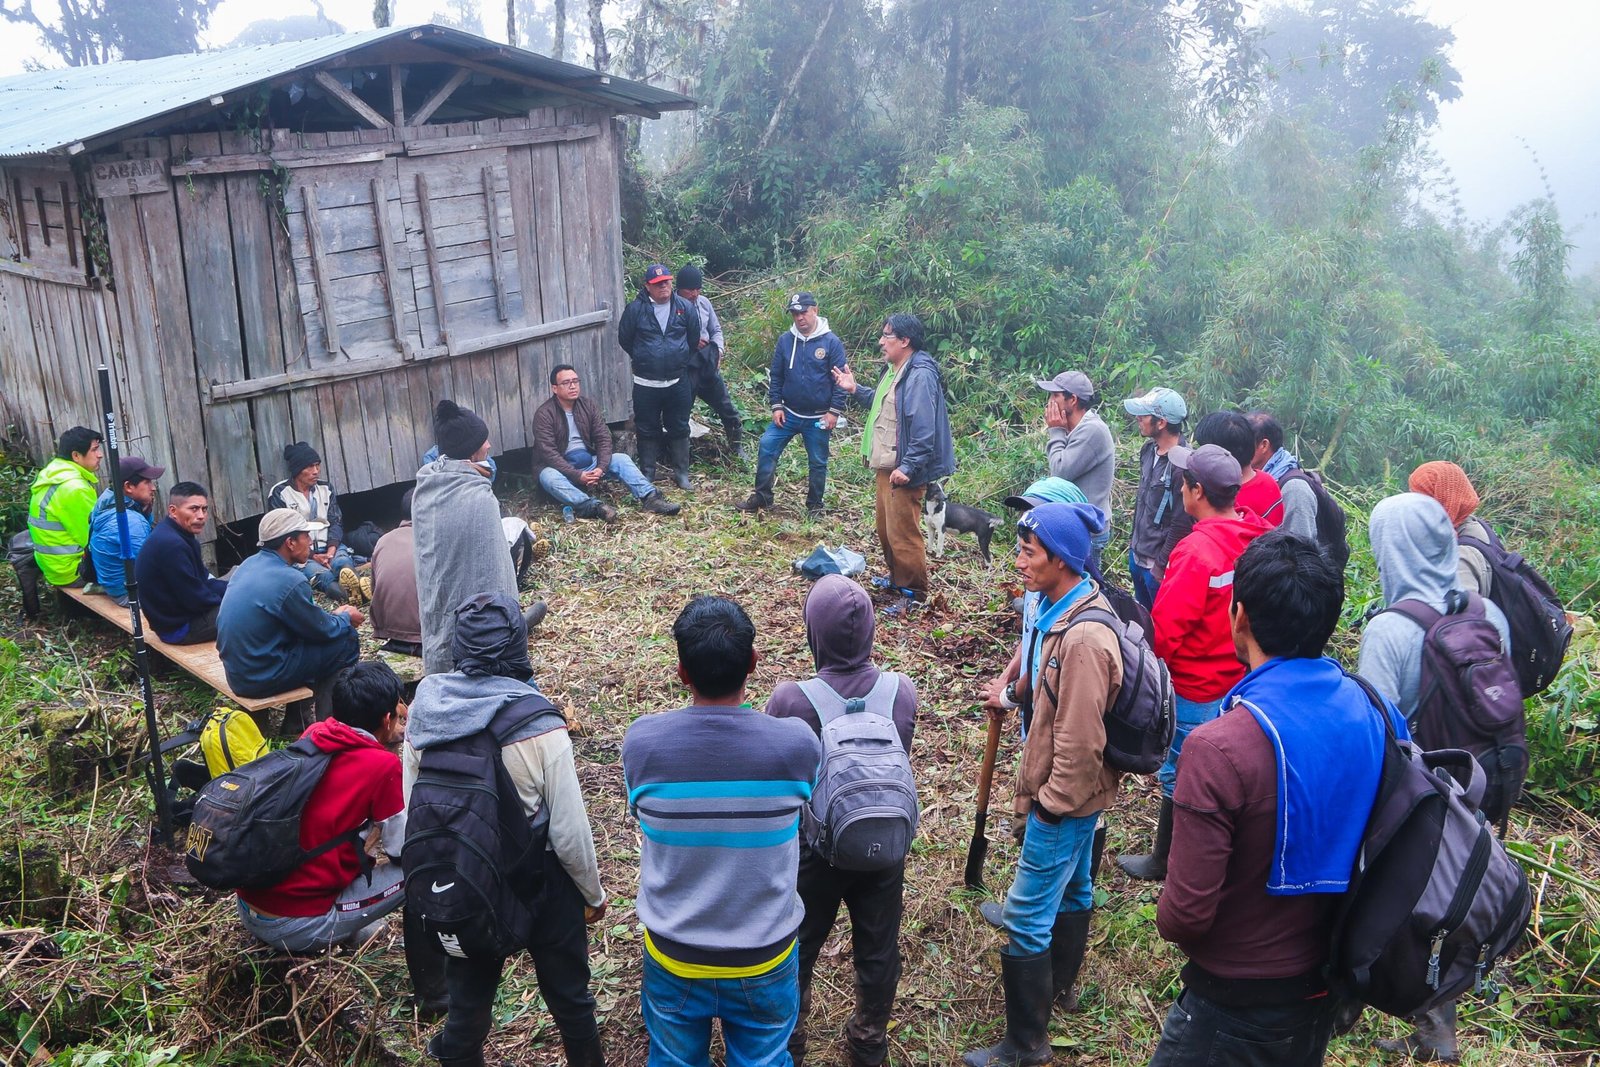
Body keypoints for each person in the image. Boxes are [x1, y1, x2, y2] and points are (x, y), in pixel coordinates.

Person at [1149, 534, 1405, 1067]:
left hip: (1235, 1000)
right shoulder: (1378, 712)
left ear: (1238, 616)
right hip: (1328, 981)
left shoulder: (1220, 747)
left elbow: (1184, 918)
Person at [405, 593, 608, 1067]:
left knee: (467, 1003)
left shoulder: (424, 710)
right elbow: (569, 833)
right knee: (571, 1001)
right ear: (517, 645)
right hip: (537, 881)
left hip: (462, 875)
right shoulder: (539, 723)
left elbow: (413, 806)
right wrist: (592, 896)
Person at [622, 596, 822, 1067]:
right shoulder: (796, 744)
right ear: (753, 663)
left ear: (682, 672)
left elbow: (644, 818)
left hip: (674, 955)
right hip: (765, 958)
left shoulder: (643, 744)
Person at [1356, 491, 1512, 1065]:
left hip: (1418, 798)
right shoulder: (1485, 612)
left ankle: (1388, 1009)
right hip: (1475, 790)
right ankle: (1435, 1018)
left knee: (1395, 903)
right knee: (1449, 902)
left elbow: (1374, 732)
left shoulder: (1390, 631)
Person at [963, 502, 1121, 1067]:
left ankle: (1026, 1044)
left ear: (1059, 558)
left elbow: (1080, 745)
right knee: (1076, 888)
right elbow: (1041, 687)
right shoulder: (1068, 608)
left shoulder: (1082, 640)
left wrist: (1048, 808)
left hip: (1068, 799)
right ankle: (1061, 989)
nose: (1019, 562)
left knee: (1028, 915)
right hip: (1087, 797)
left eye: (1028, 552)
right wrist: (1011, 693)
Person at [766, 575, 917, 1067]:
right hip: (883, 845)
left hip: (816, 851)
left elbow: (781, 779)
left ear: (814, 631)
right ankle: (870, 1038)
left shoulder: (792, 700)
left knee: (800, 948)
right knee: (879, 947)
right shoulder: (902, 692)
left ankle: (791, 1039)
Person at [1120, 444, 1268, 882]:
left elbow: (1166, 631)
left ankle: (1170, 863)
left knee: (1183, 775)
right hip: (1239, 678)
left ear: (1196, 492)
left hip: (1194, 683)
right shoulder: (1254, 536)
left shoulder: (1195, 551)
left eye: (1183, 483)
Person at [235, 662, 415, 952]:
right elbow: (401, 848)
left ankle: (349, 923)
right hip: (295, 926)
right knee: (422, 865)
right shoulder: (382, 766)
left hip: (249, 905)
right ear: (386, 719)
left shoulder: (316, 733)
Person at [833, 313, 957, 611]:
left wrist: (909, 467)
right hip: (887, 464)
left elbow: (924, 428)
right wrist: (854, 389)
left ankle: (914, 592)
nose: (881, 342)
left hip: (905, 468)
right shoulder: (896, 370)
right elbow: (883, 402)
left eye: (887, 336)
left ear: (905, 340)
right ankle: (897, 578)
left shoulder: (920, 374)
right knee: (886, 529)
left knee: (903, 532)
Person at [414, 399, 545, 677]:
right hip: (459, 608)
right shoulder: (477, 497)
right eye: (483, 442)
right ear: (471, 452)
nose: (488, 446)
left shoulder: (427, 485)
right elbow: (495, 577)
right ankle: (509, 632)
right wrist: (510, 624)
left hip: (437, 616)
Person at [216, 508, 363, 717]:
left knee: (303, 639)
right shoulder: (290, 580)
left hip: (238, 673)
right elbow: (322, 631)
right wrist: (345, 617)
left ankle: (296, 719)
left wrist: (335, 618)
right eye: (306, 536)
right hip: (261, 677)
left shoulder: (248, 565)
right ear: (290, 543)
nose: (311, 542)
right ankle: (328, 725)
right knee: (346, 640)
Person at [736, 292, 848, 517]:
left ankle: (815, 505)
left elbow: (841, 381)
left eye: (803, 312)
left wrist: (834, 412)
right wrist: (776, 405)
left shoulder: (831, 343)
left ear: (815, 310)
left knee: (817, 461)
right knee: (767, 446)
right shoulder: (786, 341)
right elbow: (776, 375)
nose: (799, 318)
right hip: (788, 413)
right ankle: (763, 497)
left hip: (818, 417)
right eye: (795, 314)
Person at [534, 364, 680, 519]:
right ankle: (592, 507)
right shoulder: (544, 414)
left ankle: (651, 498)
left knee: (621, 459)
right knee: (547, 476)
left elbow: (603, 437)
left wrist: (600, 468)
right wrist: (577, 475)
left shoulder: (587, 405)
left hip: (589, 463)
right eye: (566, 383)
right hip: (562, 469)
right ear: (555, 388)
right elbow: (549, 454)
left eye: (576, 381)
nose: (573, 386)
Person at [617, 263, 701, 491]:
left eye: (666, 281)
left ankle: (682, 473)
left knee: (680, 426)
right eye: (657, 284)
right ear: (647, 286)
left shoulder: (685, 307)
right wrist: (646, 358)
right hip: (646, 383)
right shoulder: (635, 310)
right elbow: (625, 339)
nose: (663, 286)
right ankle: (648, 473)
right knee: (647, 427)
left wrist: (677, 359)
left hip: (677, 380)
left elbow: (693, 340)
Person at [1036, 371, 1115, 571]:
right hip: (1073, 525)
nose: (1050, 401)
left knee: (1080, 590)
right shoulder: (1075, 428)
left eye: (1056, 395)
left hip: (1087, 532)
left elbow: (1060, 471)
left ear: (1073, 400)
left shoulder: (1093, 430)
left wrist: (1055, 431)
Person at [136, 481, 230, 644]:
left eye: (204, 509)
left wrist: (233, 588)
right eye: (194, 509)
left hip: (181, 614)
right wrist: (234, 598)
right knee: (251, 609)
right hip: (178, 629)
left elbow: (201, 582)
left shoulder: (179, 535)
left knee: (238, 582)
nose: (201, 516)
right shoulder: (172, 545)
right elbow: (196, 599)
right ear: (173, 511)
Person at [1123, 387, 1188, 609]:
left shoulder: (1183, 466)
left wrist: (1160, 566)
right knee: (1142, 618)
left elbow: (1182, 522)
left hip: (1157, 566)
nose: (1138, 419)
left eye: (1144, 415)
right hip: (1137, 555)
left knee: (1160, 626)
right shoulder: (1148, 450)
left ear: (1161, 423)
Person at [267, 441, 355, 602]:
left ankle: (355, 587)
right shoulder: (281, 493)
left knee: (343, 563)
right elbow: (284, 534)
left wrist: (331, 551)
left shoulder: (325, 488)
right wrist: (313, 556)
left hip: (329, 546)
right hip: (301, 554)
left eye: (317, 465)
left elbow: (336, 521)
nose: (316, 471)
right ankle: (342, 593)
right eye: (310, 467)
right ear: (297, 470)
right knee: (324, 579)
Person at [676, 264, 746, 459]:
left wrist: (718, 351)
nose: (694, 293)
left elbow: (716, 330)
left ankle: (736, 448)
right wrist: (690, 340)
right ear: (680, 288)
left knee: (727, 407)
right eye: (690, 290)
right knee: (681, 414)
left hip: (707, 362)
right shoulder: (672, 305)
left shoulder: (704, 303)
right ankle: (680, 459)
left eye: (698, 289)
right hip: (685, 367)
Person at [28, 425, 102, 589]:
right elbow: (95, 539)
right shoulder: (75, 488)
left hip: (52, 567)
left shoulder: (52, 475)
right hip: (72, 571)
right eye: (95, 450)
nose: (100, 455)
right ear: (76, 455)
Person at [86, 455, 165, 605]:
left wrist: (145, 514)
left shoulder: (106, 498)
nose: (153, 487)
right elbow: (152, 567)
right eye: (147, 482)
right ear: (128, 487)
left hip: (112, 584)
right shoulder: (131, 522)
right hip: (130, 594)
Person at [1408, 461, 1493, 596]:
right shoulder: (1475, 525)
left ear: (1439, 501)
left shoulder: (1461, 557)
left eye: (1417, 499)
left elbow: (1464, 614)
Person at [1246, 411, 1318, 540]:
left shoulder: (1294, 489)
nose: (1235, 450)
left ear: (1264, 445)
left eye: (1243, 444)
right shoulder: (1259, 479)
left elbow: (1299, 549)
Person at [368, 489, 422, 656]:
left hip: (388, 629)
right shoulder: (432, 538)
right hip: (424, 634)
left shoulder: (383, 540)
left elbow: (373, 587)